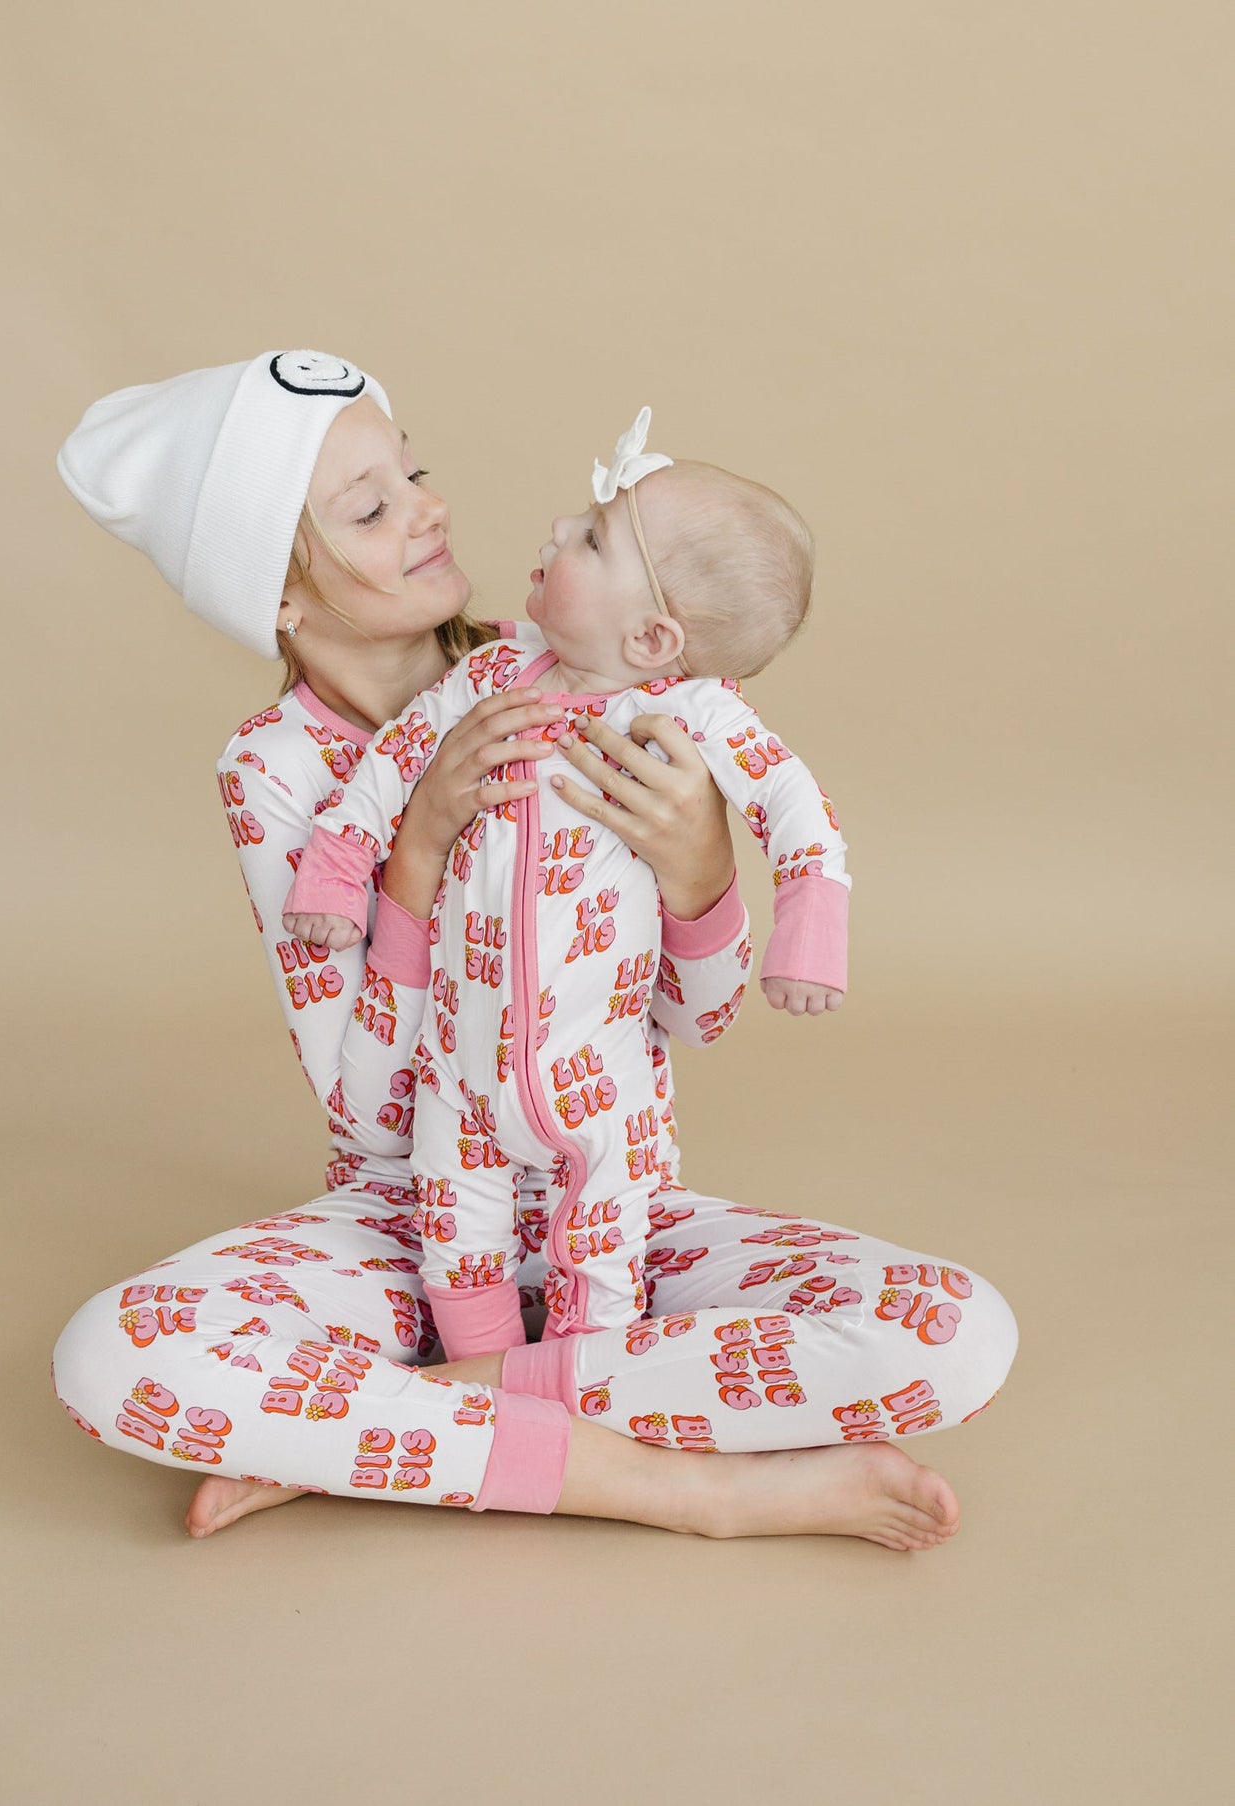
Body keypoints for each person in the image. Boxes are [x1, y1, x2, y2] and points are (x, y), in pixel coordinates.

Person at [51, 347, 1017, 1551]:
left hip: (612, 1202)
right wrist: (415, 850)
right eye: (369, 508)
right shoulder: (274, 770)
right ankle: (680, 1488)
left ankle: (398, 1423)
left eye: (412, 474)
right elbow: (365, 1110)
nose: (428, 508)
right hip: (404, 1219)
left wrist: (701, 869)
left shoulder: (579, 661)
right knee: (111, 1359)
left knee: (953, 1332)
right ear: (276, 596)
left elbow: (700, 1018)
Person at [283, 407, 849, 1361]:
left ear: (653, 638)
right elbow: (393, 763)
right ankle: (482, 1389)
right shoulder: (489, 676)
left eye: (591, 540)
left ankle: (583, 1384)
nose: (555, 529)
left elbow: (795, 807)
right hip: (457, 1083)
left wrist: (808, 931)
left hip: (602, 1090)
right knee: (457, 1255)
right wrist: (338, 873)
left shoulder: (691, 716)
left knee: (601, 1262)